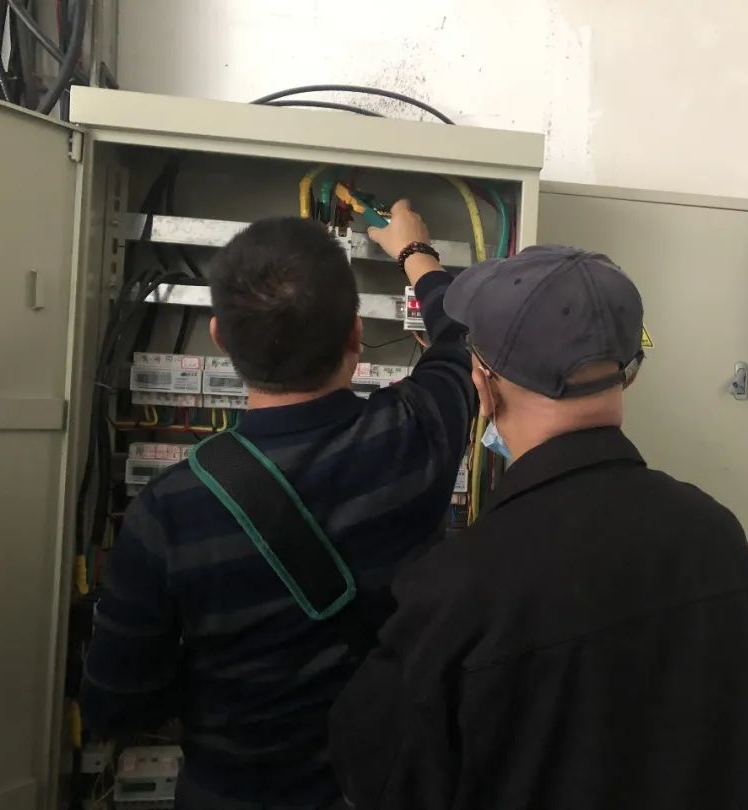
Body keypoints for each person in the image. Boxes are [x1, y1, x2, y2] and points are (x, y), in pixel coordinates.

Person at [330, 245, 748, 809]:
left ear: (484, 388)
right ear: (629, 375)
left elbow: (375, 775)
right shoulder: (716, 536)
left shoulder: (459, 586)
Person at [80, 203, 474, 810]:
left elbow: (116, 705)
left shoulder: (167, 512)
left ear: (219, 336)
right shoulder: (412, 434)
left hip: (232, 792)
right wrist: (414, 253)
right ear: (355, 334)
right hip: (383, 784)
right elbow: (464, 337)